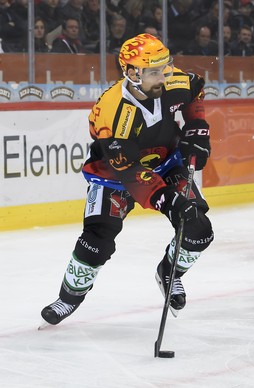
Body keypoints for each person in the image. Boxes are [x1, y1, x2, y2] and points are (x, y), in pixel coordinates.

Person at [40, 33, 214, 325]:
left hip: (166, 163)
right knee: (97, 240)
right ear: (132, 72)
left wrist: (197, 126)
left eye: (166, 66)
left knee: (199, 231)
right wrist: (166, 199)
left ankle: (170, 273)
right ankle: (68, 298)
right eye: (156, 71)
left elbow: (196, 91)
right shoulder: (112, 110)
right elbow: (128, 169)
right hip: (115, 176)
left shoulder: (171, 81)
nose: (166, 75)